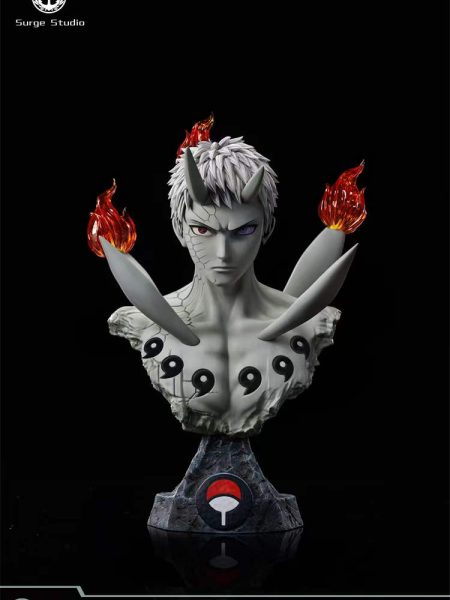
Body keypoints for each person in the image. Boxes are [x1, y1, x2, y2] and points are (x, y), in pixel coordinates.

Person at [100, 134, 357, 436]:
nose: (223, 253)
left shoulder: (311, 321)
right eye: (202, 230)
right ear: (179, 229)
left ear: (267, 228)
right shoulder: (143, 322)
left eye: (244, 230)